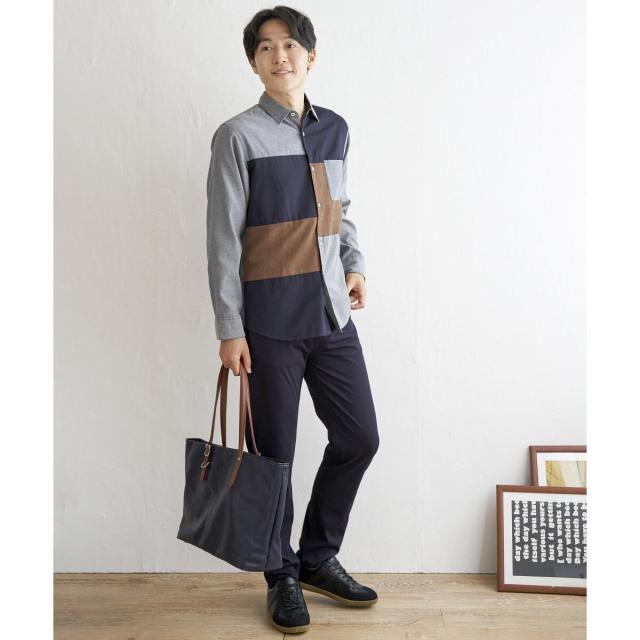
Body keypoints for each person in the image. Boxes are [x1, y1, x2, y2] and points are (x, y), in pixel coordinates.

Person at [206, 5, 380, 634]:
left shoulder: (335, 129)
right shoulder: (237, 136)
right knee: (274, 458)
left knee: (359, 438)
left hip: (331, 316)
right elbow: (223, 238)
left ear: (311, 55)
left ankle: (316, 558)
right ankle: (280, 575)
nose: (279, 56)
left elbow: (339, 207)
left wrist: (353, 264)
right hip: (268, 325)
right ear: (254, 62)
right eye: (265, 48)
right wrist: (230, 327)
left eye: (289, 46)